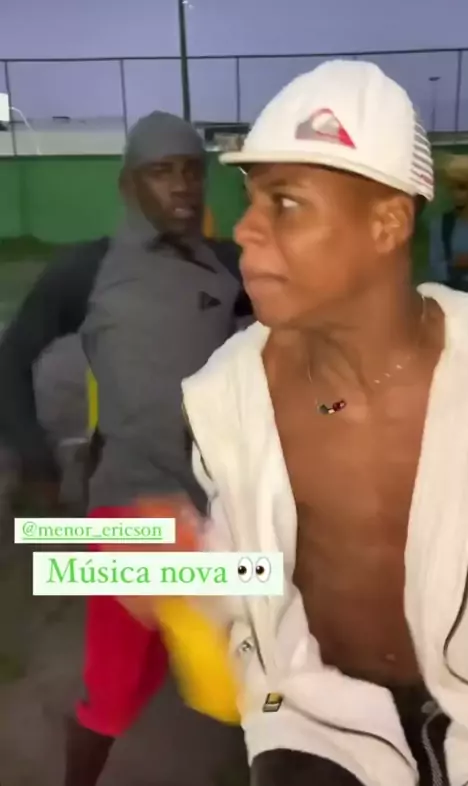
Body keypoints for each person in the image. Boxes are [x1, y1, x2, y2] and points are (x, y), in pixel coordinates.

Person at [177, 61, 468, 786]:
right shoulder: (229, 397)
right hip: (322, 726)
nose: (244, 230)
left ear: (387, 223)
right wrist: (170, 565)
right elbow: (254, 573)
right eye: (250, 199)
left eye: (285, 203)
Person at [0, 110, 252, 785]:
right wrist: (35, 460)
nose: (182, 186)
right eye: (161, 172)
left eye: (191, 171)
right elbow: (13, 356)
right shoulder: (88, 271)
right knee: (135, 686)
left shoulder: (227, 269)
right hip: (131, 511)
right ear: (127, 186)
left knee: (201, 676)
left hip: (215, 508)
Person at [429, 154, 468, 290]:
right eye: (452, 188)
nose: (455, 194)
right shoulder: (443, 225)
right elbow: (434, 268)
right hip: (456, 293)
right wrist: (455, 265)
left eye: (462, 188)